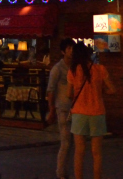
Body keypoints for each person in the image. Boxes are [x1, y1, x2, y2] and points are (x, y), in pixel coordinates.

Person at [67, 42, 115, 179]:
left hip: (79, 113)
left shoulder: (73, 71)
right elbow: (112, 90)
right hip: (97, 112)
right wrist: (100, 91)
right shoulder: (100, 69)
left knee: (79, 152)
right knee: (97, 153)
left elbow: (68, 94)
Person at [46, 38, 75, 179]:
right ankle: (60, 173)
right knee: (66, 142)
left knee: (73, 143)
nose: (71, 51)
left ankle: (67, 171)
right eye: (68, 48)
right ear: (63, 51)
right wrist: (51, 110)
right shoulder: (57, 69)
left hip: (75, 109)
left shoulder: (76, 67)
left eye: (72, 48)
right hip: (62, 108)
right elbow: (50, 90)